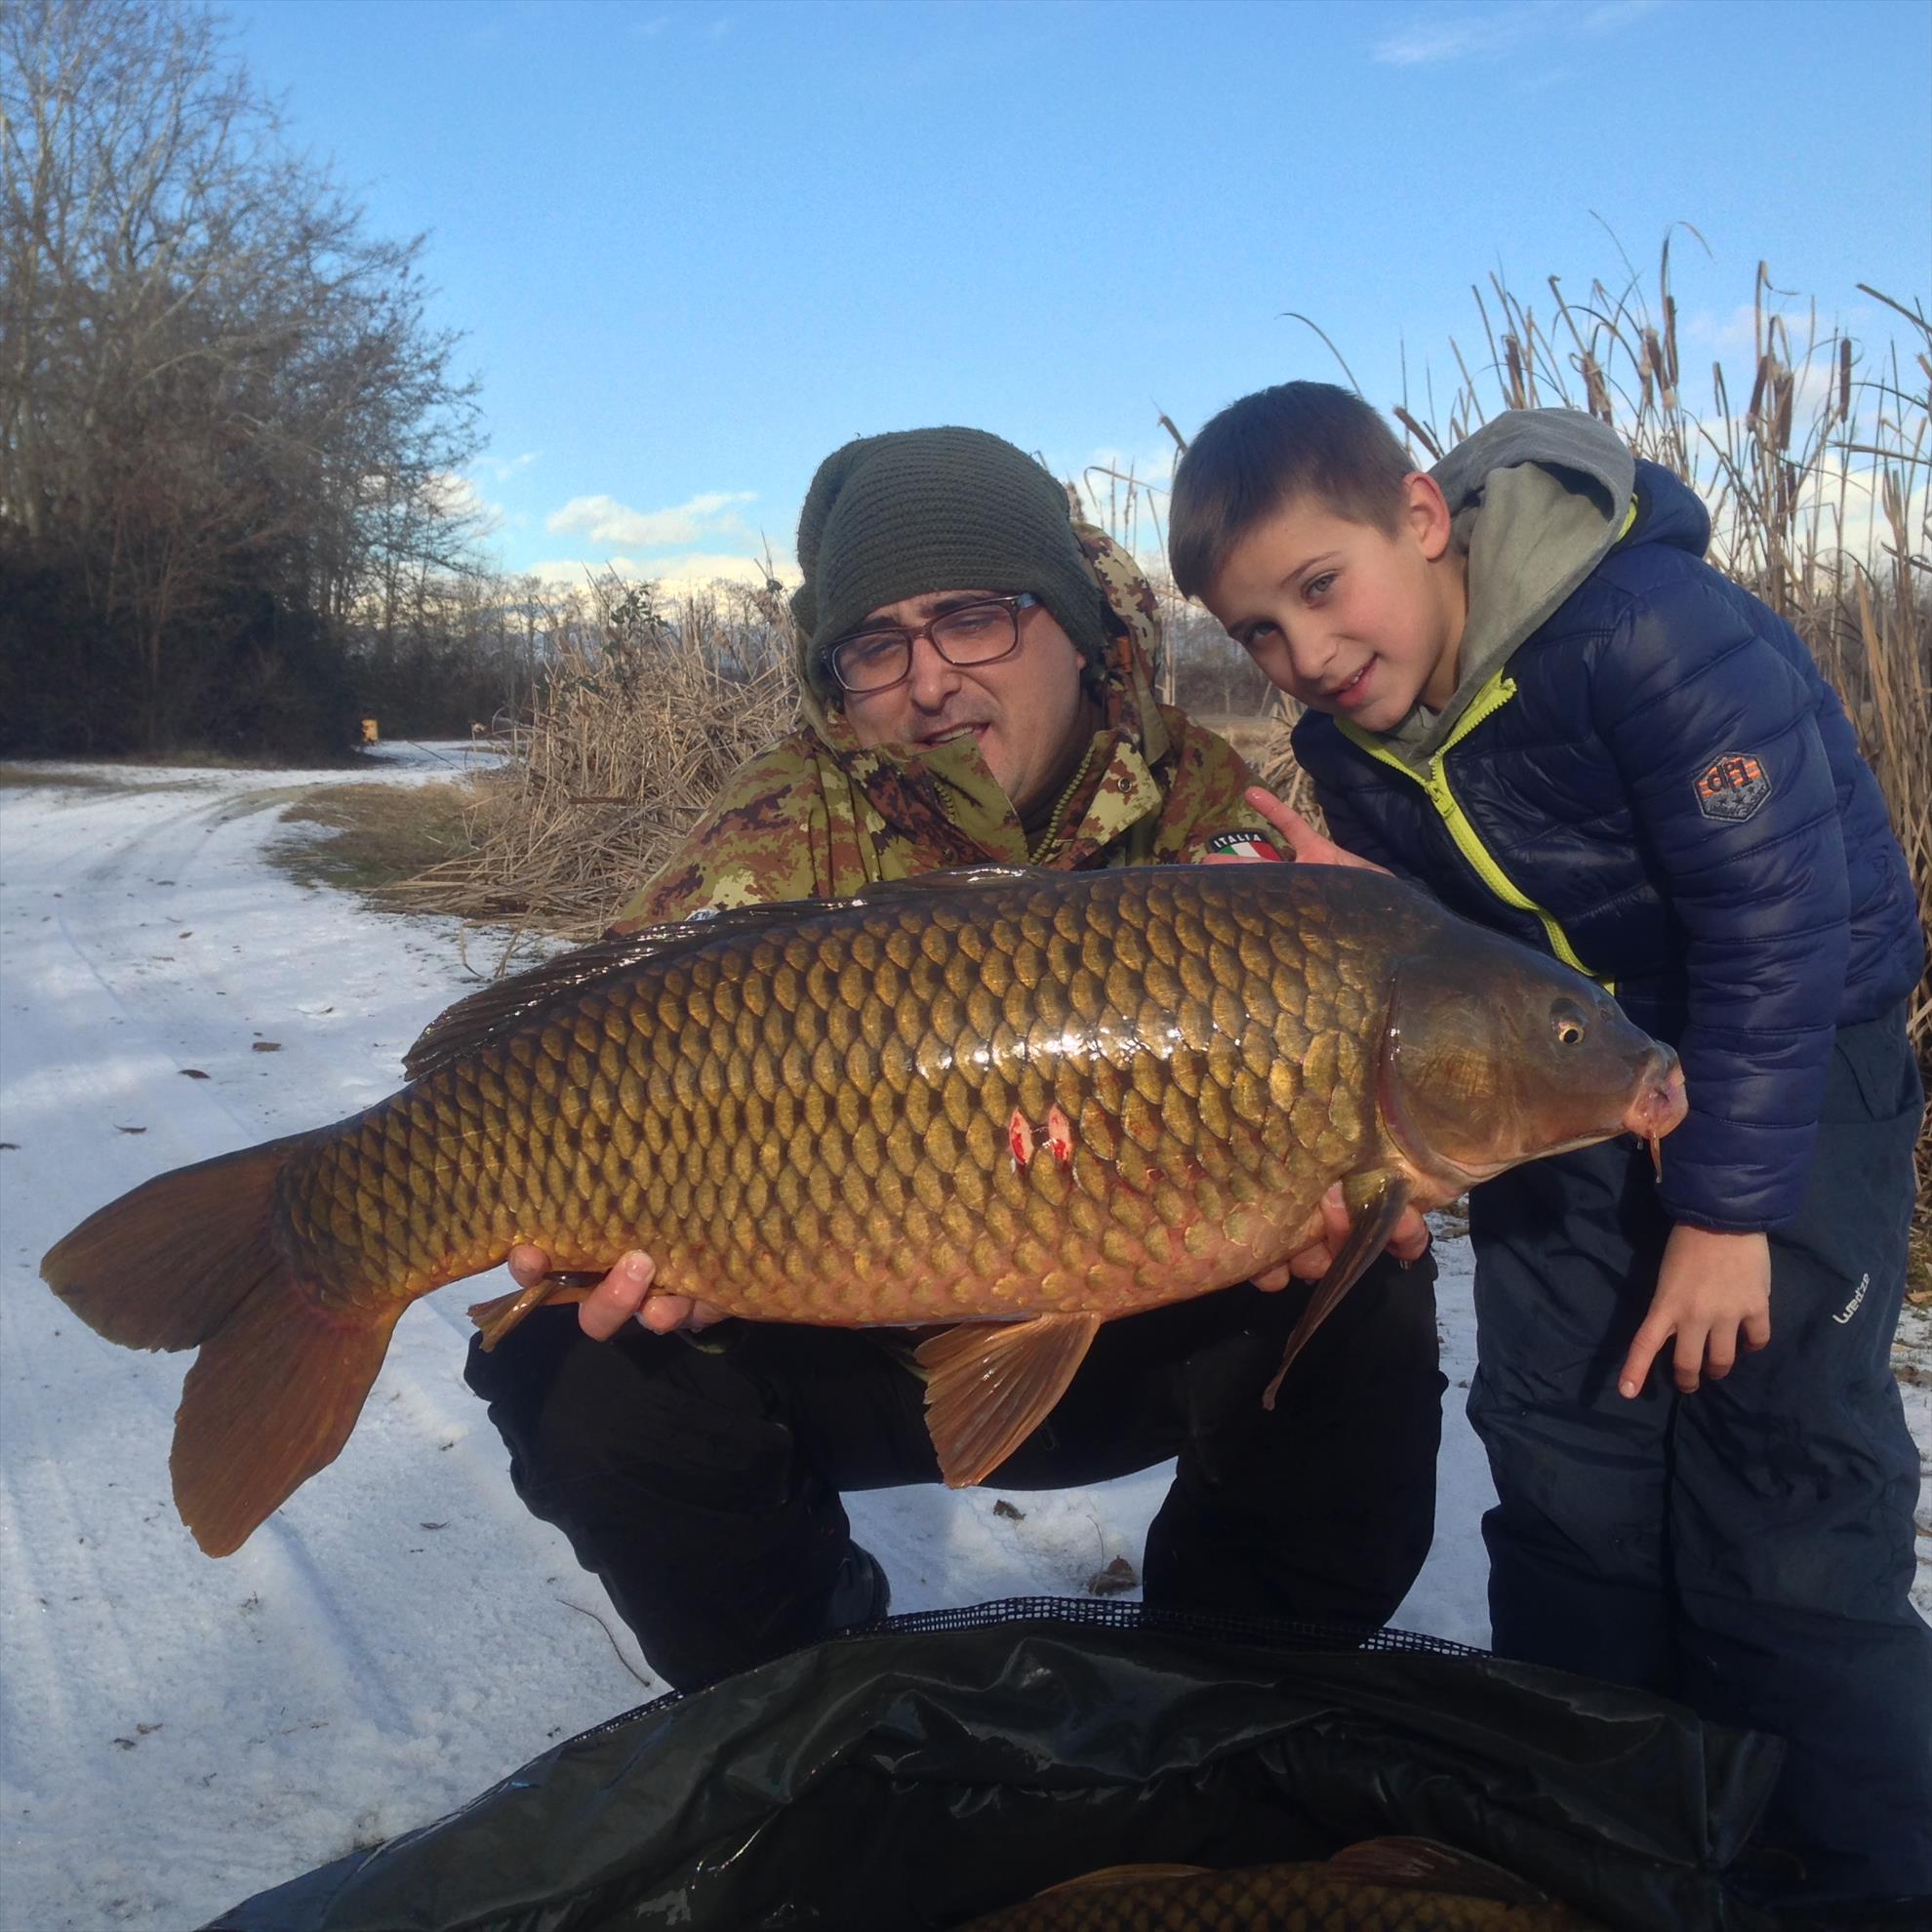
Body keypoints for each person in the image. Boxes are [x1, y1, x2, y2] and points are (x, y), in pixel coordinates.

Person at [465, 425, 1444, 1694]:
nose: (930, 680)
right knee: (562, 1360)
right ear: (836, 678)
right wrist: (661, 1251)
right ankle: (803, 1698)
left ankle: (1230, 1694)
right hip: (840, 1331)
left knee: (1368, 1270)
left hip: (1132, 1323)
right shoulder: (762, 850)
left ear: (1077, 624)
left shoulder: (1214, 824)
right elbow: (589, 1068)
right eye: (877, 644)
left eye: (974, 618)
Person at [1167, 382, 1929, 1908]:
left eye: (1323, 588)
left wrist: (1723, 1213)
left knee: (1780, 1498)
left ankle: (1864, 1882)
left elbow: (1780, 923)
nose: (1308, 655)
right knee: (1567, 1453)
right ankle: (1589, 1860)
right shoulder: (1355, 743)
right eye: (1260, 632)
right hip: (1559, 1067)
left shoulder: (1645, 629)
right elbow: (1445, 973)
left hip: (1792, 1053)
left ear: (1424, 518)